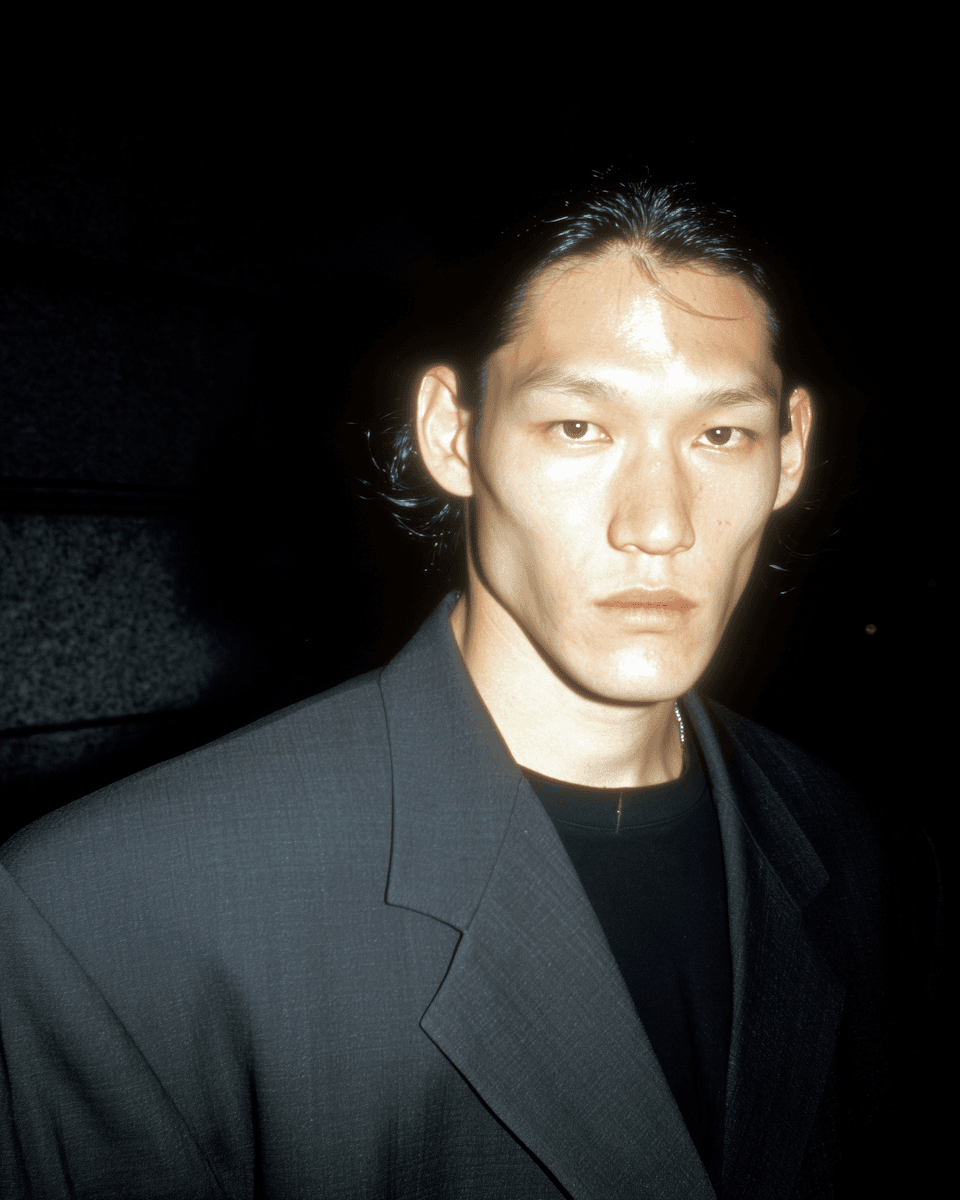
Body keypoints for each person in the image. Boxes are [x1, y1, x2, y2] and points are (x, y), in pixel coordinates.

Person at [0, 179, 939, 1198]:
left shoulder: (865, 858)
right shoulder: (108, 924)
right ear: (453, 433)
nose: (660, 524)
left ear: (792, 451)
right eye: (580, 427)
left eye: (721, 436)